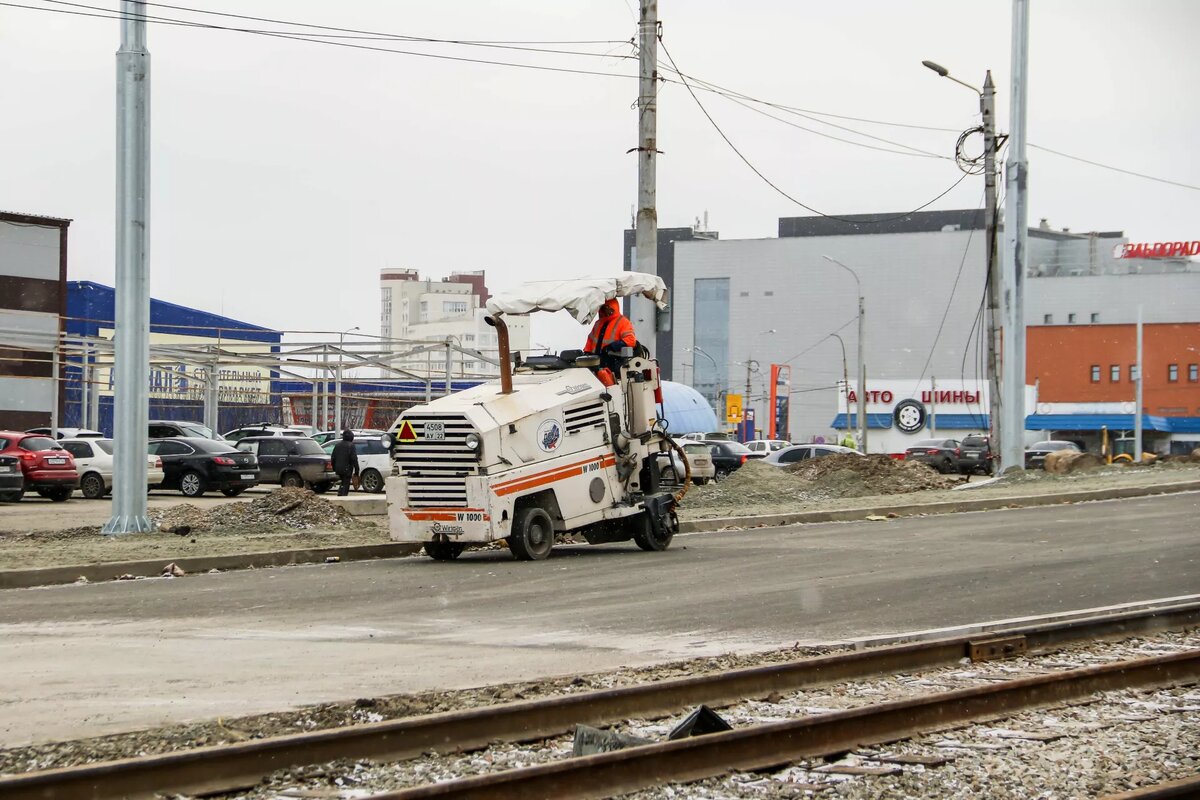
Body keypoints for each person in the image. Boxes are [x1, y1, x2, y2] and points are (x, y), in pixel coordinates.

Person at [584, 298, 637, 372]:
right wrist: (587, 353)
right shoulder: (598, 323)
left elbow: (631, 340)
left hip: (614, 362)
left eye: (608, 307)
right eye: (604, 308)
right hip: (595, 363)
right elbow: (590, 340)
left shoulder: (623, 322)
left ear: (614, 307)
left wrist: (612, 347)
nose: (606, 310)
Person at [331, 429, 360, 496]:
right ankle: (343, 497)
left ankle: (340, 494)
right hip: (347, 469)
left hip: (338, 468)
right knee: (346, 483)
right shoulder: (351, 446)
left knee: (343, 482)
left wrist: (334, 467)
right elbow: (354, 459)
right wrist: (357, 470)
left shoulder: (337, 445)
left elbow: (333, 457)